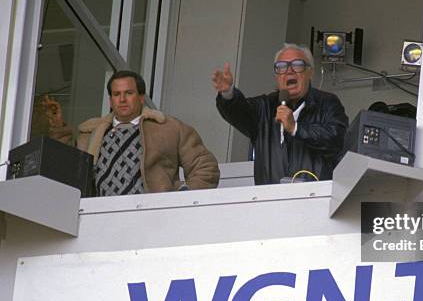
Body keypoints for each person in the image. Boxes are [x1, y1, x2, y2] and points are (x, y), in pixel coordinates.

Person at [46, 70, 220, 196]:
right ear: (110, 100)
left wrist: (181, 197)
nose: (122, 99)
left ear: (141, 97)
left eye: (128, 93)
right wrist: (58, 127)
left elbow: (205, 167)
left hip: (152, 217)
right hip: (99, 218)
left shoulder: (168, 128)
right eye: (116, 94)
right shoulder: (89, 134)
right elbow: (64, 171)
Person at [213, 44, 348, 185]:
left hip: (315, 199)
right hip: (270, 200)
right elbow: (240, 111)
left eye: (297, 65)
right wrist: (228, 93)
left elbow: (338, 139)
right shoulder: (265, 107)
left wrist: (296, 128)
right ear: (277, 76)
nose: (289, 71)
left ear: (310, 72)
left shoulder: (327, 103)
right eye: (282, 66)